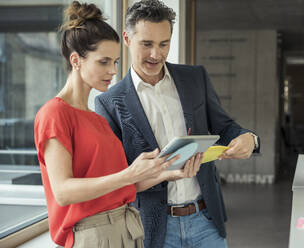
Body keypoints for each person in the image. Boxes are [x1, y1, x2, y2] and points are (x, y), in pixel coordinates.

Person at [33, 1, 202, 247]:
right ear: (76, 60)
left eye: (115, 61)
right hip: (93, 235)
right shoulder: (54, 114)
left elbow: (123, 184)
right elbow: (63, 191)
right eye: (104, 62)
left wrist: (167, 173)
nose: (113, 71)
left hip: (126, 230)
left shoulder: (97, 119)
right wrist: (127, 174)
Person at [95, 0, 260, 247]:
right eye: (147, 44)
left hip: (206, 221)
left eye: (164, 44)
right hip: (154, 230)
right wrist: (161, 173)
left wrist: (249, 137)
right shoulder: (109, 102)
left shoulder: (194, 78)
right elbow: (117, 179)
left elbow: (224, 127)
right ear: (127, 39)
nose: (156, 54)